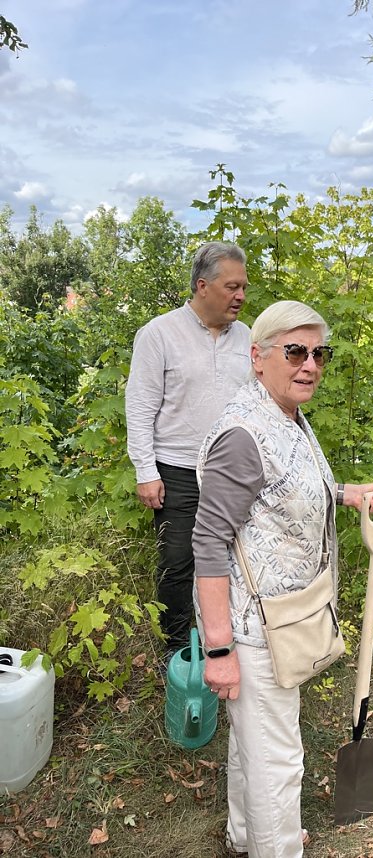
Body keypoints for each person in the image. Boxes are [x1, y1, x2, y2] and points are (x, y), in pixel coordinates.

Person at [192, 300, 373, 858]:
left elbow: (281, 490)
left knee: (254, 744)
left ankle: (246, 834)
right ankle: (277, 846)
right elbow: (208, 543)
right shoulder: (244, 434)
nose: (310, 365)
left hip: (286, 618)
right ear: (258, 357)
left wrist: (343, 493)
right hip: (253, 632)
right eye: (295, 351)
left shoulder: (287, 417)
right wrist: (219, 652)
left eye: (319, 353)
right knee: (279, 758)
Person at [125, 241, 250, 662]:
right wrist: (146, 470)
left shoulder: (249, 339)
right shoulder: (159, 334)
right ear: (202, 286)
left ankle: (228, 642)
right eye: (232, 286)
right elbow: (140, 406)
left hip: (231, 472)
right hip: (176, 470)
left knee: (234, 559)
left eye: (244, 287)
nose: (241, 296)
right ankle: (177, 652)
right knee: (178, 563)